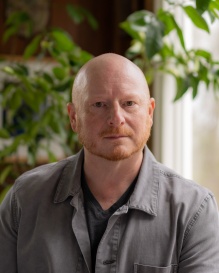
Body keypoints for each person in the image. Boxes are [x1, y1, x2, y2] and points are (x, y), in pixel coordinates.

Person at [0, 53, 219, 273]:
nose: (116, 118)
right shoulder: (24, 199)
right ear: (74, 117)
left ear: (150, 113)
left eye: (129, 103)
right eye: (99, 104)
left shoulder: (193, 211)